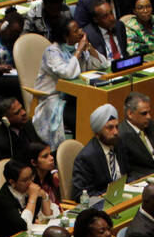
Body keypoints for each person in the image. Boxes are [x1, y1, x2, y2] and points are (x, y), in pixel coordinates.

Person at [33, 16, 108, 148]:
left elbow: (102, 65)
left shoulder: (77, 47)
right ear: (65, 35)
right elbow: (68, 73)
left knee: (97, 110)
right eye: (75, 31)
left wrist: (89, 48)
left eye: (79, 28)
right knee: (80, 119)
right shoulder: (52, 52)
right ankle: (78, 149)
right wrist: (78, 51)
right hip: (54, 98)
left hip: (77, 95)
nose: (80, 32)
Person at [71, 104, 129, 200]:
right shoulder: (86, 157)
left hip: (123, 197)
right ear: (97, 132)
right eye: (110, 128)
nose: (115, 132)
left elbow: (129, 172)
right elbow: (80, 194)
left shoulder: (119, 144)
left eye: (117, 127)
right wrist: (108, 195)